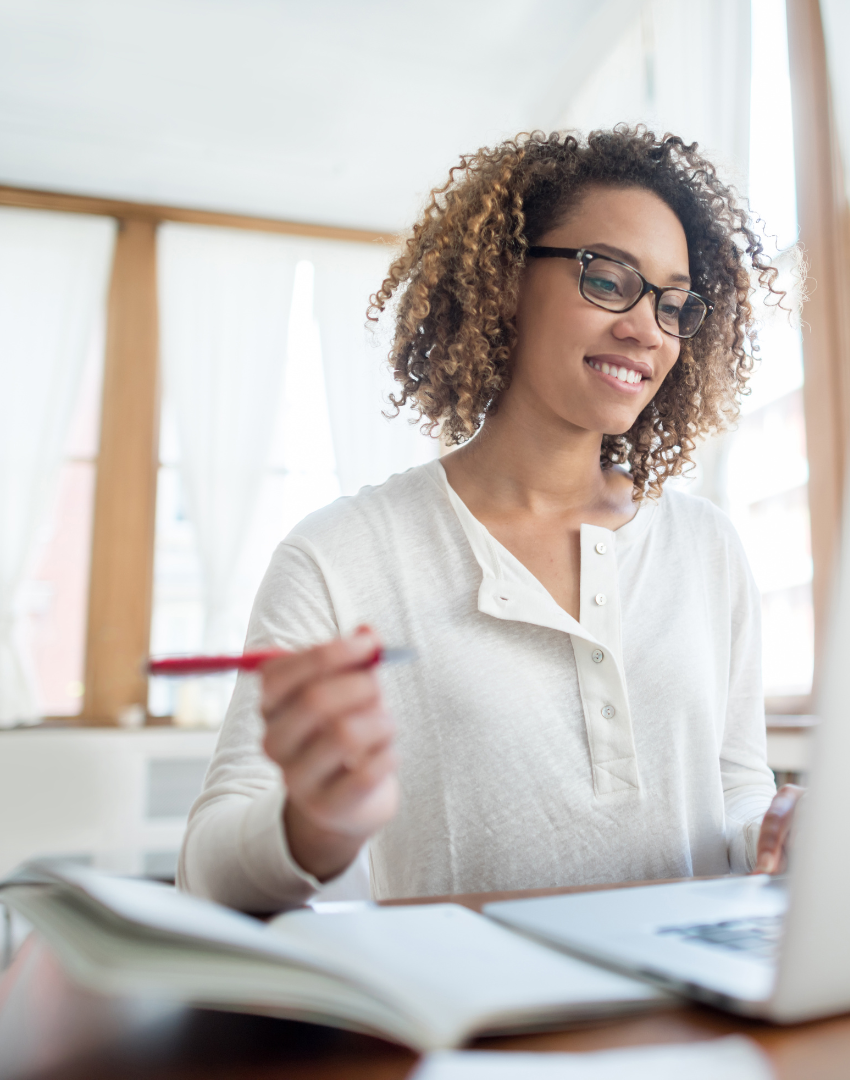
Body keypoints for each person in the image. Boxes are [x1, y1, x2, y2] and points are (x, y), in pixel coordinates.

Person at [178, 128, 803, 913]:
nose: (646, 328)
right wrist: (308, 828)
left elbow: (735, 790)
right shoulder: (341, 558)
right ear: (506, 280)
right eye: (608, 279)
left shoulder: (706, 549)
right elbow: (204, 870)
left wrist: (779, 832)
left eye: (672, 303)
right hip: (471, 1029)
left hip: (694, 1018)